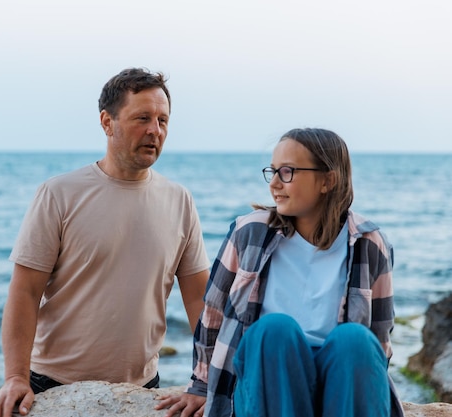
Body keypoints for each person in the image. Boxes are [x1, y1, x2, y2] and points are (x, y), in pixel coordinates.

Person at [0, 68, 211, 417]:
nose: (155, 130)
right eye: (142, 118)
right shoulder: (59, 194)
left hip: (142, 387)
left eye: (163, 120)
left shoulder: (180, 200)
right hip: (51, 385)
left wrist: (210, 379)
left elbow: (198, 297)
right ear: (107, 122)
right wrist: (15, 377)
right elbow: (24, 292)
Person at [157, 128, 404, 417]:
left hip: (338, 382)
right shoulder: (248, 232)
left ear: (328, 180)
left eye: (287, 172)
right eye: (272, 171)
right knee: (274, 330)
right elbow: (213, 316)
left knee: (356, 340)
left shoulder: (369, 242)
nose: (274, 183)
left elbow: (380, 339)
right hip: (268, 378)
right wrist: (201, 384)